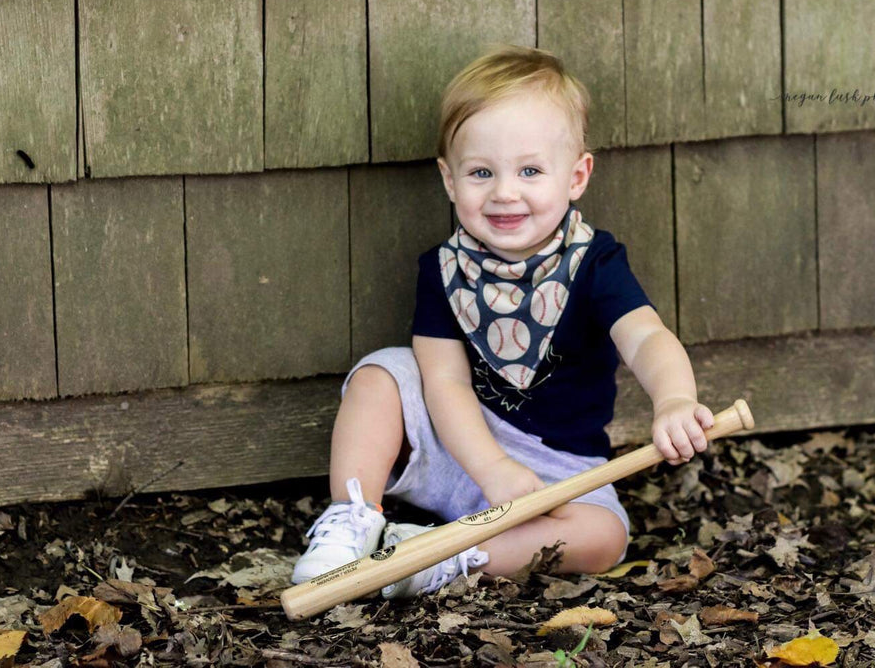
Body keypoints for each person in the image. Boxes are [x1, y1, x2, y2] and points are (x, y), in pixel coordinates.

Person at [291, 45, 716, 598]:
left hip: (559, 469)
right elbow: (443, 381)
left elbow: (646, 337)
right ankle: (353, 519)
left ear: (576, 175)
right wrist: (490, 468)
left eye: (531, 170)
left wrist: (676, 400)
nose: (504, 192)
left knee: (605, 537)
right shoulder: (445, 271)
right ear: (449, 179)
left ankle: (440, 559)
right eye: (482, 172)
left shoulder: (595, 263)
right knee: (382, 373)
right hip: (459, 444)